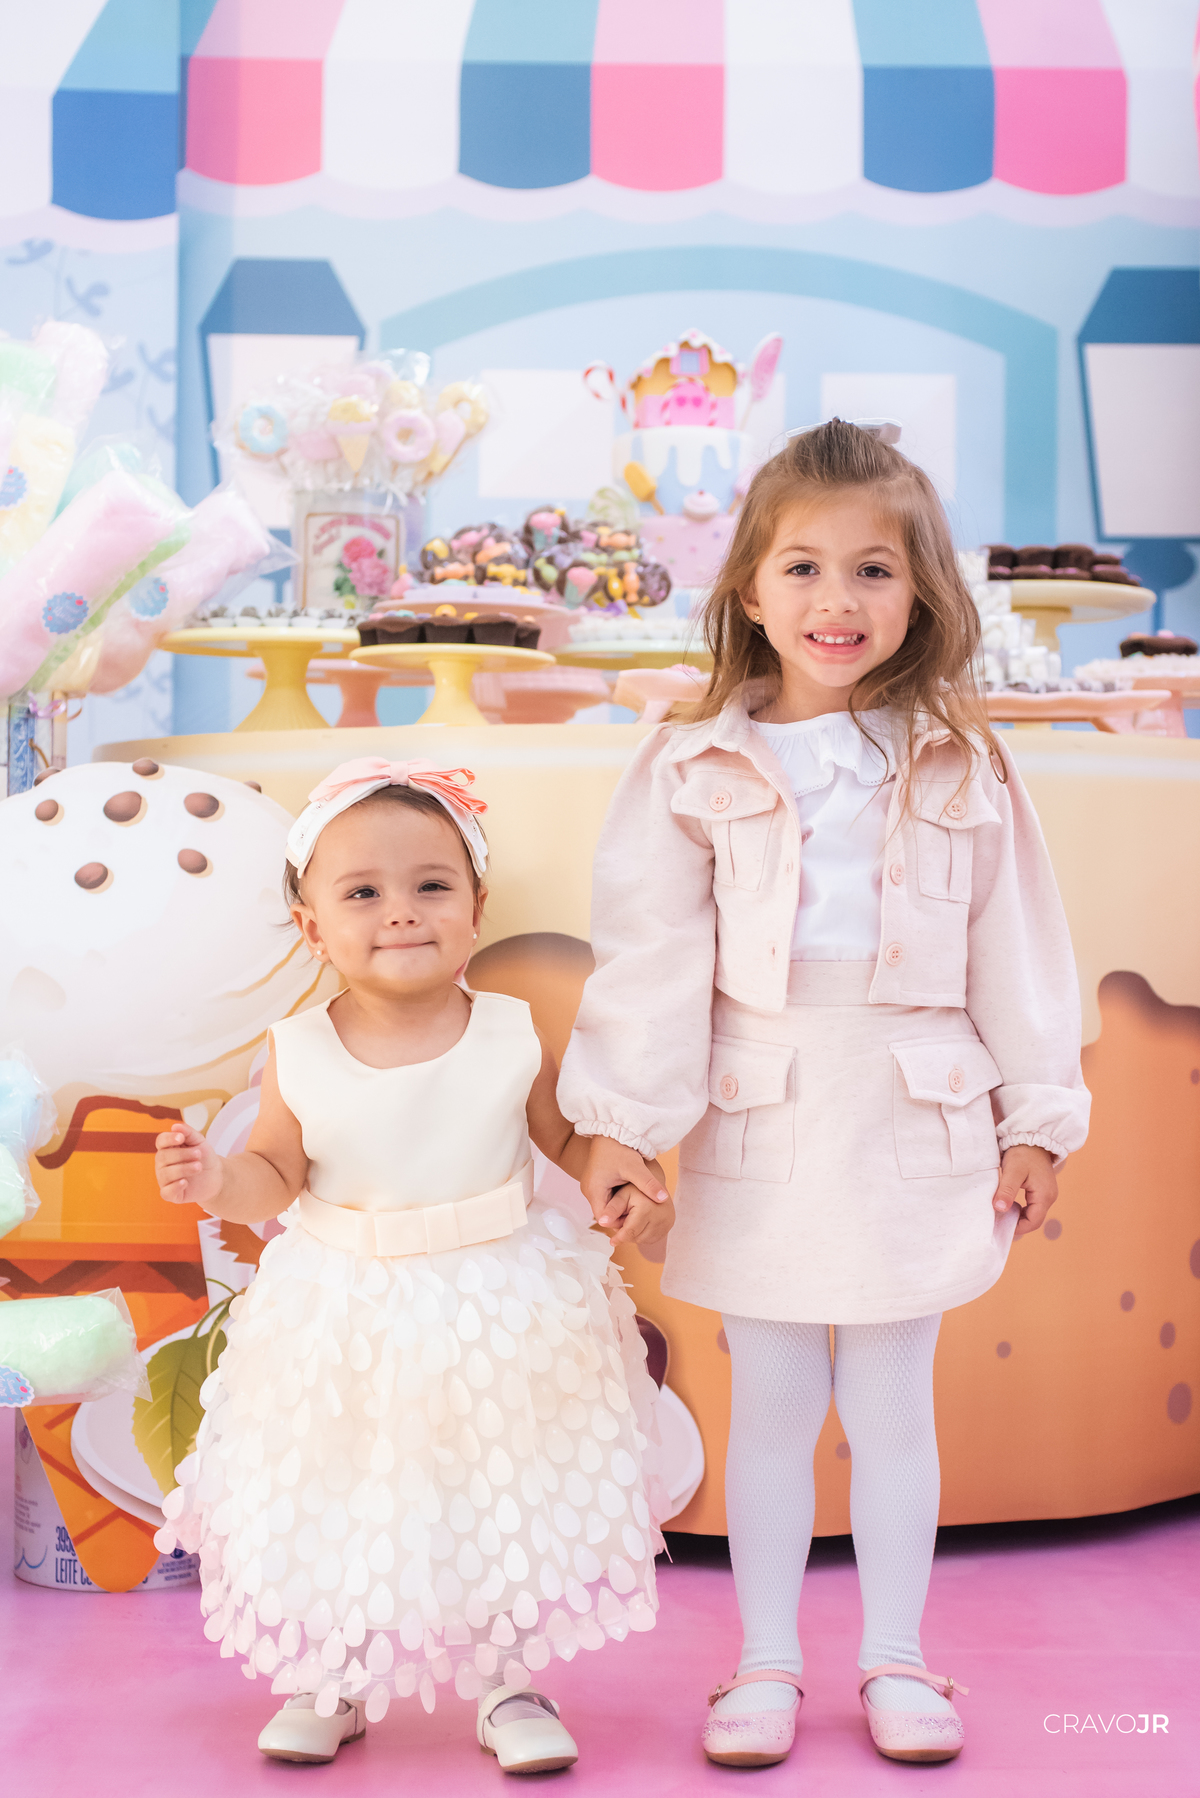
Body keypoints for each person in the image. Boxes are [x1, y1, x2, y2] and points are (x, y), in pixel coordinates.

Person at [559, 420, 1090, 1767]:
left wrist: (1036, 1115)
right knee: (777, 1403)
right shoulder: (691, 759)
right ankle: (766, 1662)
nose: (835, 600)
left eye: (873, 569)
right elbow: (653, 957)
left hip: (915, 1115)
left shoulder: (964, 759)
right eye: (802, 567)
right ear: (748, 587)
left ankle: (897, 1657)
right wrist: (621, 1122)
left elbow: (1020, 947)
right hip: (764, 1113)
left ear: (921, 593)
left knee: (896, 1400)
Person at [153, 757, 668, 1771]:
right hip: (345, 1303)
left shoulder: (510, 1030)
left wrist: (618, 1171)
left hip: (499, 1297)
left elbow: (566, 1141)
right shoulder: (298, 1047)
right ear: (312, 927)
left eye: (431, 885)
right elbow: (273, 1176)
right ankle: (333, 1675)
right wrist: (215, 1177)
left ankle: (510, 1680)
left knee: (501, 1486)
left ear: (476, 908)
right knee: (346, 1487)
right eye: (362, 893)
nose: (400, 911)